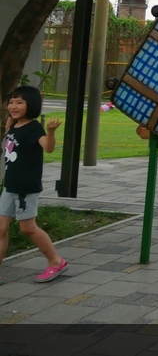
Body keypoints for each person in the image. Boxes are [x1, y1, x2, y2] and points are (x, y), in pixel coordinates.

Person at [1, 86, 68, 283]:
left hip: (25, 188)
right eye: (11, 102)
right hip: (10, 186)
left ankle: (56, 261)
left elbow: (48, 148)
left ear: (31, 105)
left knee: (27, 229)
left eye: (19, 102)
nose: (13, 106)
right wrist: (8, 125)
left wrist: (51, 131)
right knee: (1, 227)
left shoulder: (34, 127)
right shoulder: (13, 125)